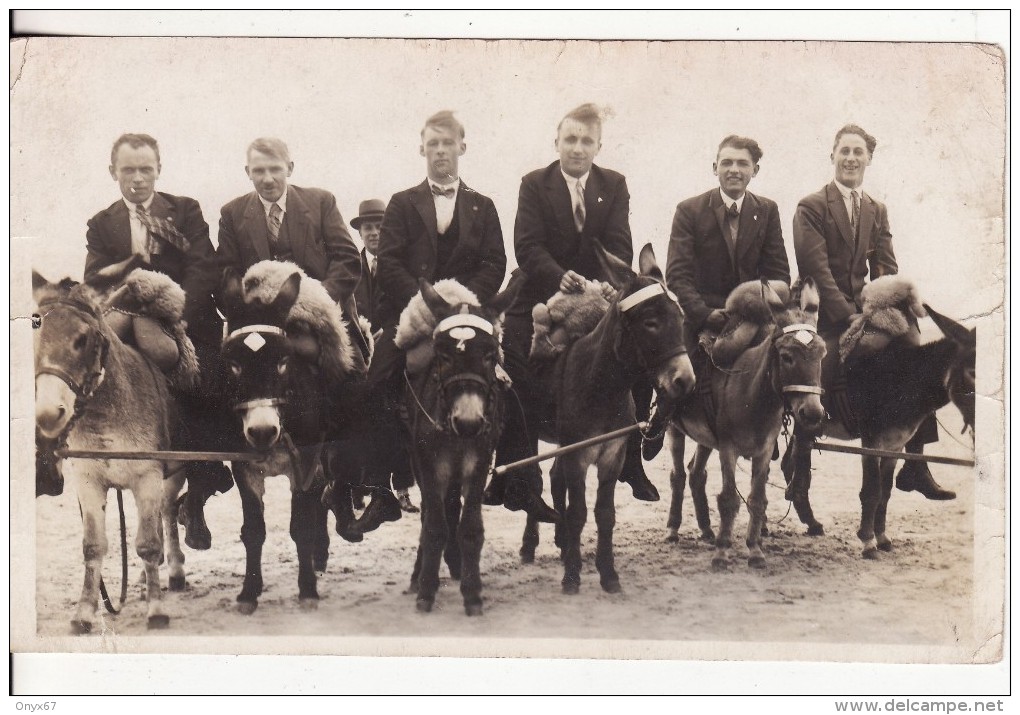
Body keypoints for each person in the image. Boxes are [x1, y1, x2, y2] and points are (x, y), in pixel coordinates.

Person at [487, 102, 656, 521]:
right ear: (556, 142)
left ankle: (630, 459)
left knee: (640, 350)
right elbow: (527, 245)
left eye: (586, 141)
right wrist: (560, 276)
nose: (577, 148)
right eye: (570, 139)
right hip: (539, 290)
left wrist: (601, 283)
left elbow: (619, 243)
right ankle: (521, 483)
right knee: (517, 369)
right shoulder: (534, 183)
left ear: (599, 145)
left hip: (598, 291)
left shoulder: (614, 184)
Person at [353, 110, 508, 534]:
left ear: (462, 146)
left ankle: (515, 480)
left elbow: (496, 261)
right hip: (413, 313)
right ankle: (381, 489)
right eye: (433, 144)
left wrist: (464, 303)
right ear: (422, 148)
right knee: (375, 383)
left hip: (470, 313)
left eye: (448, 143)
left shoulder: (484, 206)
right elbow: (389, 262)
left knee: (511, 379)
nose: (441, 151)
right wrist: (428, 301)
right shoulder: (403, 203)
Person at [78, 133, 232, 549]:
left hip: (183, 314)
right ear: (113, 172)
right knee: (86, 360)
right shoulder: (102, 223)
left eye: (146, 169)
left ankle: (202, 481)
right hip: (127, 310)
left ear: (159, 169)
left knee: (210, 382)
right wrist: (128, 304)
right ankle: (60, 451)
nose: (138, 178)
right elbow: (97, 276)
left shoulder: (184, 211)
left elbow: (205, 268)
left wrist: (172, 306)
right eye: (128, 169)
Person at [216, 137, 369, 542]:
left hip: (321, 316)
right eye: (259, 171)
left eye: (275, 169)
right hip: (262, 323)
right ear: (247, 172)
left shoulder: (320, 202)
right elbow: (226, 272)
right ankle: (209, 477)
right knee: (224, 377)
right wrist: (254, 309)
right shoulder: (233, 214)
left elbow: (347, 260)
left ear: (290, 168)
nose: (268, 178)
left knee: (358, 383)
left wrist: (314, 302)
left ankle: (350, 484)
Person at [793, 123, 953, 500]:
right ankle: (799, 461)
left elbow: (885, 268)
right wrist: (849, 314)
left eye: (858, 152)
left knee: (914, 354)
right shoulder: (812, 206)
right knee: (821, 364)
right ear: (832, 155)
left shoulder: (876, 209)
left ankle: (915, 463)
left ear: (868, 159)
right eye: (844, 151)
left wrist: (881, 308)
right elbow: (815, 268)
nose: (851, 158)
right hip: (824, 310)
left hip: (865, 310)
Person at [665, 133, 790, 376]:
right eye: (727, 162)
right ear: (715, 168)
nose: (734, 170)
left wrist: (757, 313)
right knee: (683, 389)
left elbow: (778, 274)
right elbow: (678, 275)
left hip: (753, 322)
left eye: (743, 163)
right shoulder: (689, 210)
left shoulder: (767, 210)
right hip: (703, 319)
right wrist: (704, 314)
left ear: (755, 170)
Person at [351, 198, 418, 514]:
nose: (374, 233)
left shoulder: (400, 265)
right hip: (359, 347)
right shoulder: (352, 266)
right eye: (368, 228)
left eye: (379, 227)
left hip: (395, 346)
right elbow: (345, 307)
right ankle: (358, 483)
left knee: (401, 414)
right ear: (360, 232)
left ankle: (403, 487)